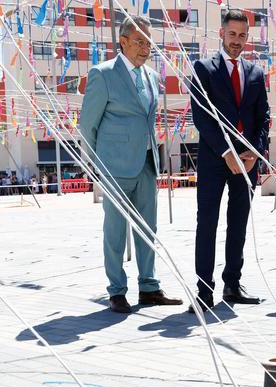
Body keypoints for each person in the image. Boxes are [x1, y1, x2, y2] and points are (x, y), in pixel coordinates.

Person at [79, 15, 182, 313]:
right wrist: (101, 162)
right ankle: (117, 291)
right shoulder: (103, 74)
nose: (145, 47)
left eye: (149, 42)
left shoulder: (151, 76)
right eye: (139, 41)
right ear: (122, 42)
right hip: (115, 167)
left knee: (148, 229)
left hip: (147, 163)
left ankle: (149, 287)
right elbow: (88, 125)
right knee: (115, 230)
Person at [188, 9, 270, 311]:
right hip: (214, 159)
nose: (237, 40)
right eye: (232, 34)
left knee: (238, 223)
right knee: (207, 223)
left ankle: (232, 284)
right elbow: (202, 117)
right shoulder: (203, 68)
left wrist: (253, 152)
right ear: (221, 34)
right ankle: (204, 290)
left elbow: (263, 118)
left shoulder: (256, 73)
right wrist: (227, 153)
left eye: (242, 36)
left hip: (248, 162)